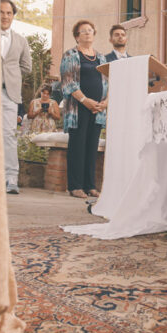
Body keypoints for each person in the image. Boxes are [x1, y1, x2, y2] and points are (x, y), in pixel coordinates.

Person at [60, 20, 108, 199]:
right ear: (77, 36)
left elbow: (108, 82)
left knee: (92, 147)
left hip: (98, 109)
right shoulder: (70, 55)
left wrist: (105, 103)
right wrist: (85, 100)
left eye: (90, 30)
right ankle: (75, 186)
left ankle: (90, 185)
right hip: (78, 107)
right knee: (77, 146)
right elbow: (68, 81)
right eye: (84, 31)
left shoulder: (101, 58)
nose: (88, 33)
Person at [0, 0, 32, 194]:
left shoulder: (20, 40)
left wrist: (10, 75)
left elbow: (26, 67)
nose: (5, 16)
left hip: (9, 94)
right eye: (1, 12)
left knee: (8, 136)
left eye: (8, 13)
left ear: (13, 16)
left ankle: (11, 178)